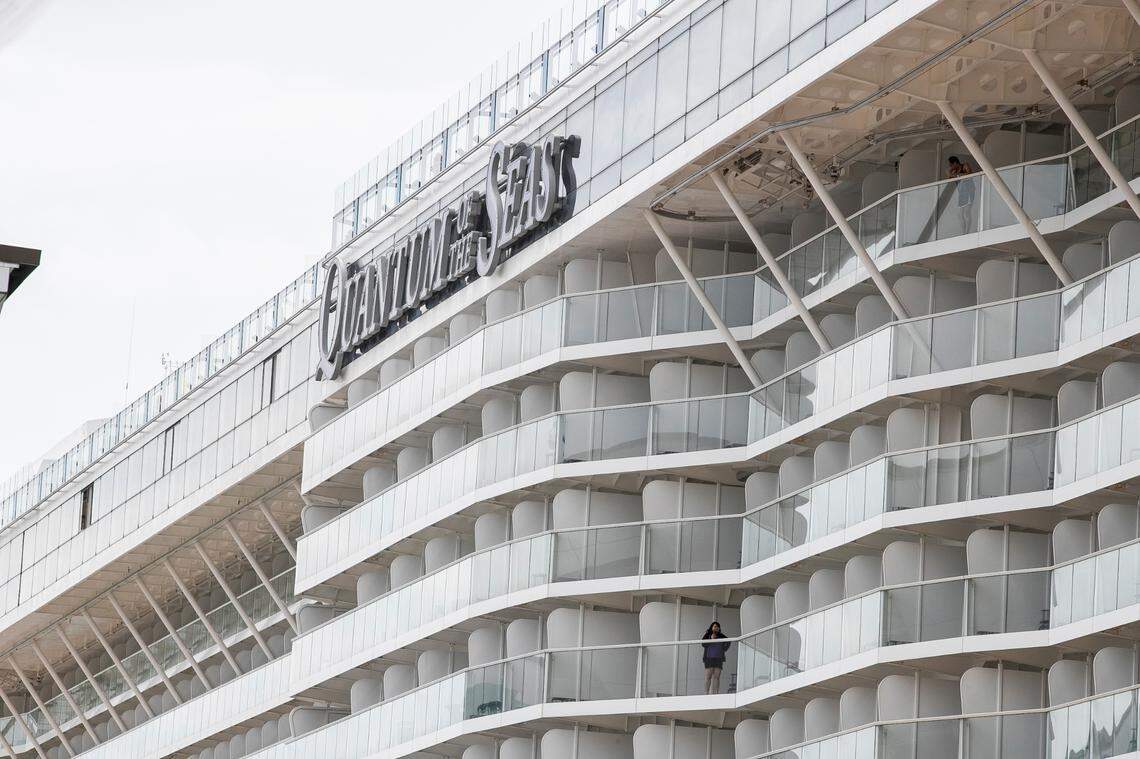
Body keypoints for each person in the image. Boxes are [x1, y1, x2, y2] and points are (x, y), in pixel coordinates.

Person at [947, 156, 976, 233]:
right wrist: (951, 173)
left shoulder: (965, 165)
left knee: (967, 212)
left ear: (955, 163)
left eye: (951, 165)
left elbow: (970, 174)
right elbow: (950, 179)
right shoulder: (954, 172)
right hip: (962, 193)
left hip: (969, 190)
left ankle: (967, 231)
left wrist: (956, 175)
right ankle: (963, 231)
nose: (950, 167)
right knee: (959, 214)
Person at [701, 621, 730, 694]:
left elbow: (728, 641)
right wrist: (710, 639)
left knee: (717, 677)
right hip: (709, 658)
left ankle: (716, 693)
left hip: (719, 658)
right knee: (708, 676)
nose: (716, 628)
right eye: (714, 626)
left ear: (719, 628)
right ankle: (706, 693)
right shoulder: (707, 634)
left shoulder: (721, 635)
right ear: (711, 627)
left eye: (717, 627)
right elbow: (703, 644)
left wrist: (724, 648)